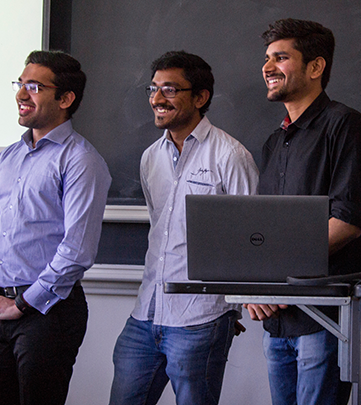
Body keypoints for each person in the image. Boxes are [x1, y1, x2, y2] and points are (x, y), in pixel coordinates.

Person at [109, 50, 259, 405]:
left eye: (170, 90)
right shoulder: (151, 157)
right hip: (145, 314)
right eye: (154, 88)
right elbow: (160, 230)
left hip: (200, 318)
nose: (157, 99)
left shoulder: (230, 156)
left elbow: (251, 240)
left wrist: (229, 309)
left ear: (200, 97)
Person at [244, 18, 361, 405]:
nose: (268, 67)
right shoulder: (274, 143)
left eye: (281, 57)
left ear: (316, 67)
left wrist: (273, 277)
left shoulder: (345, 126)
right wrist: (257, 286)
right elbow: (262, 231)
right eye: (267, 58)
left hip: (325, 318)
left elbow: (348, 222)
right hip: (279, 319)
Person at [0, 50, 111, 405]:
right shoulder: (9, 156)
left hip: (49, 312)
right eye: (20, 84)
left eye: (34, 86)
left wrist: (24, 303)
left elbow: (77, 251)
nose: (20, 94)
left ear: (65, 99)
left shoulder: (80, 160)